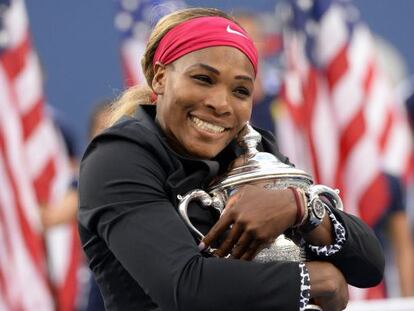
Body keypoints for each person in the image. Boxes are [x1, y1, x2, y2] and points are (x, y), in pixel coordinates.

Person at [78, 8, 384, 311]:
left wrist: (299, 207)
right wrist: (315, 280)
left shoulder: (251, 148)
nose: (221, 104)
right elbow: (185, 288)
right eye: (203, 79)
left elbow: (368, 267)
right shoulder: (117, 157)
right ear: (160, 78)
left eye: (240, 90)